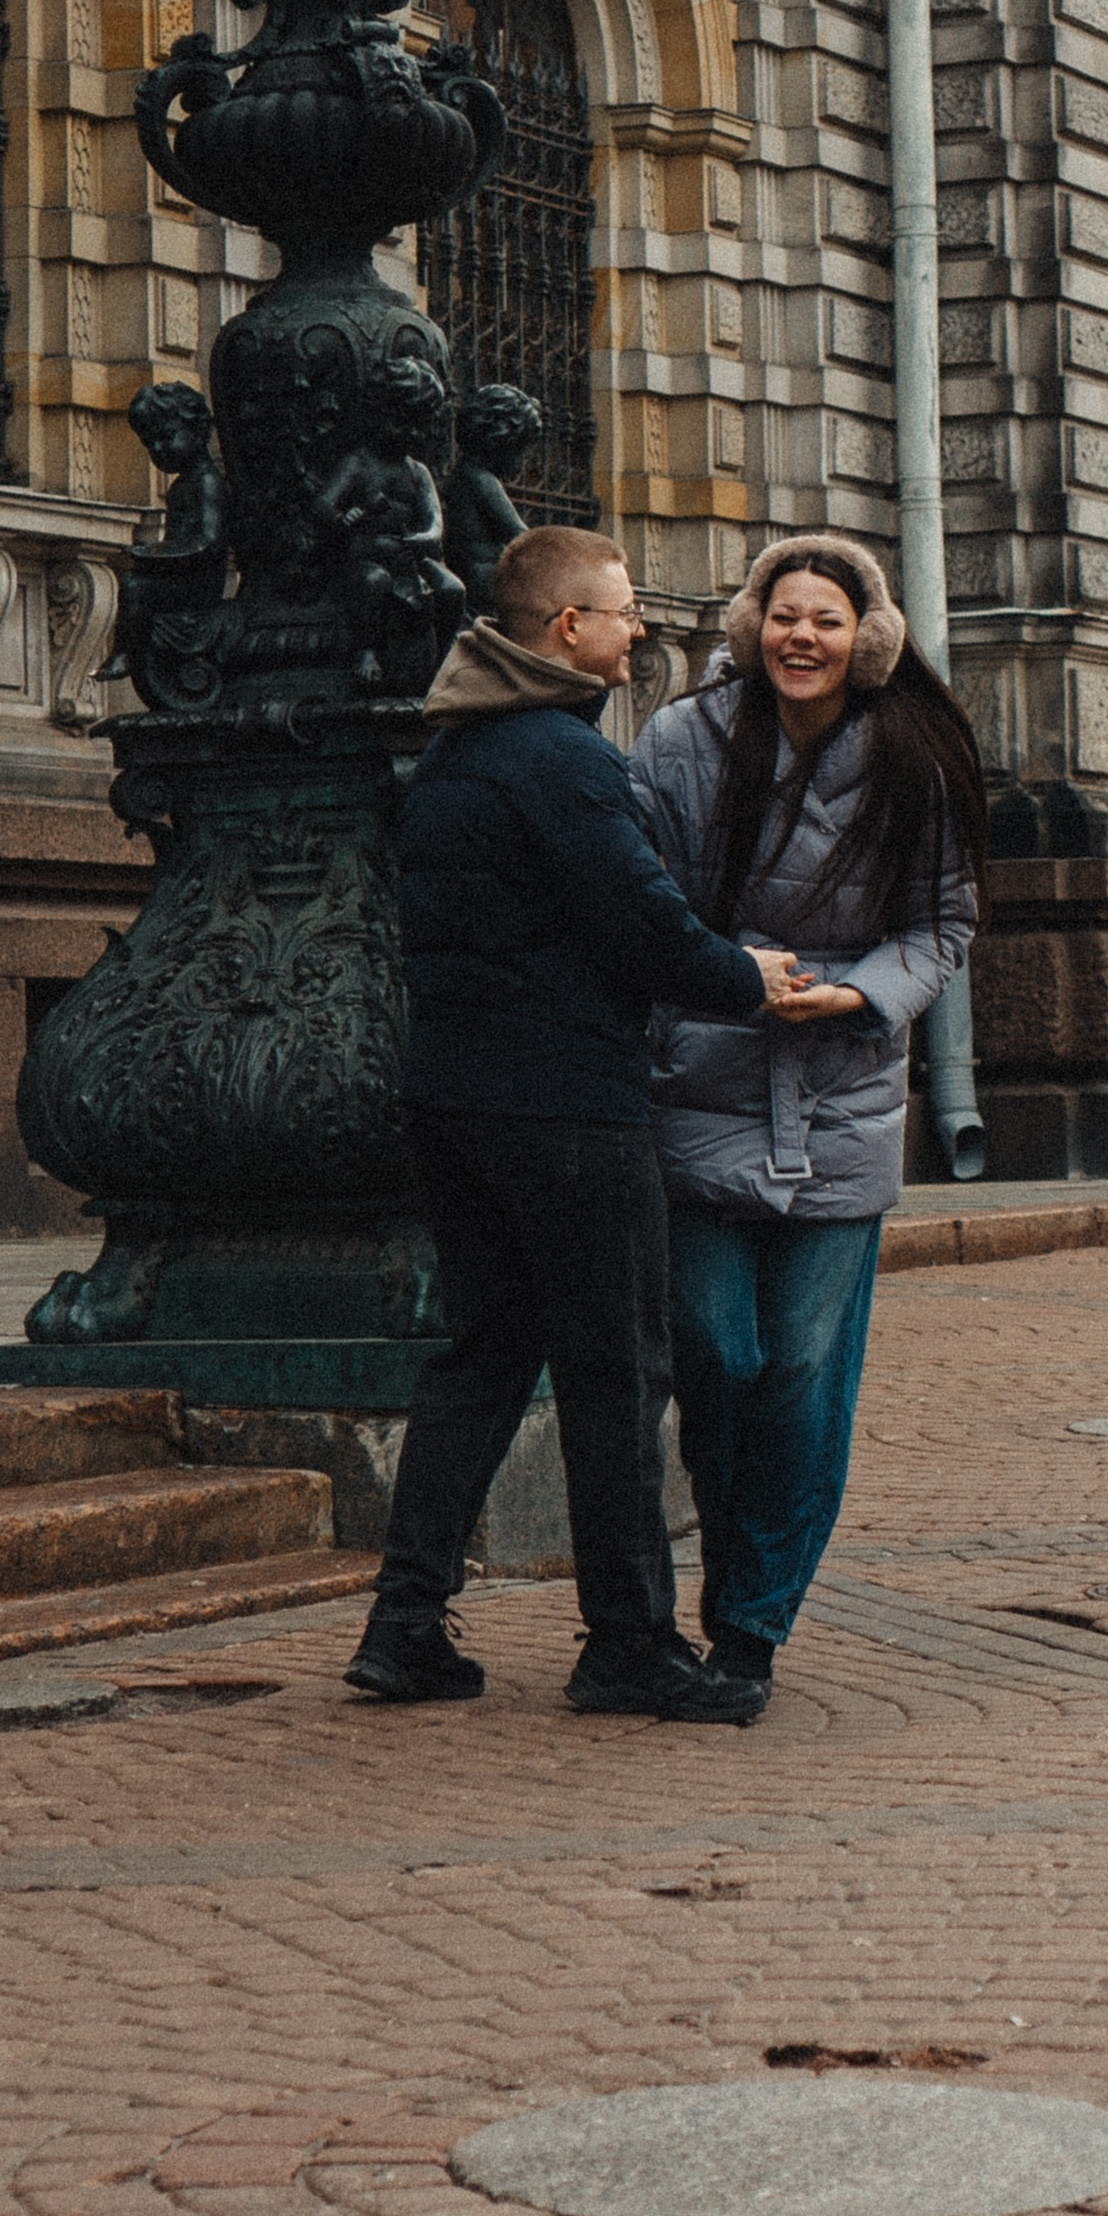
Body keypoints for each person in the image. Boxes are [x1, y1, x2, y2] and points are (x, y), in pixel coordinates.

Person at [346, 524, 804, 1723]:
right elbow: (641, 924)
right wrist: (749, 978)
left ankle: (405, 1629)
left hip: (450, 1095)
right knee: (618, 1370)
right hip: (562, 1104)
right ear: (567, 631)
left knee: (483, 1357)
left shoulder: (453, 754)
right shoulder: (561, 758)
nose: (639, 627)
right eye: (621, 610)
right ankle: (628, 1645)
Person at [629, 533, 985, 1722]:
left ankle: (748, 1628)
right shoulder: (680, 741)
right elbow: (636, 903)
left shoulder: (914, 757)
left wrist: (860, 993)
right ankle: (728, 1576)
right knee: (718, 1357)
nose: (802, 638)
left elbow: (941, 927)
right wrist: (725, 977)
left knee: (802, 1380)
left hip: (842, 1098)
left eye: (827, 621)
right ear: (752, 624)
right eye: (785, 615)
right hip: (702, 1078)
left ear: (866, 640)